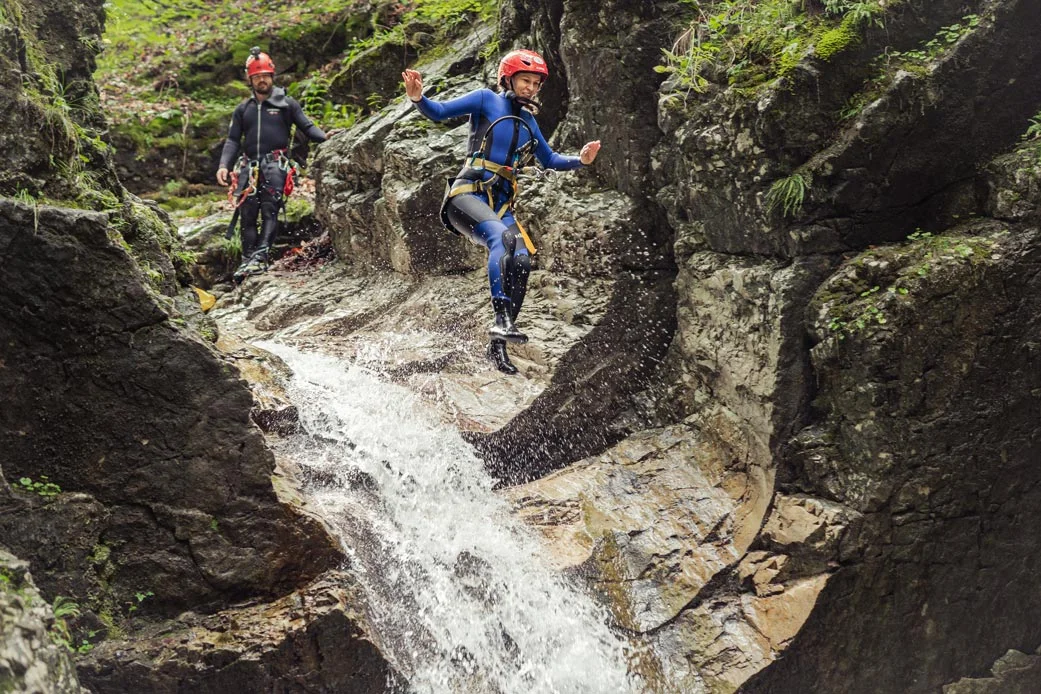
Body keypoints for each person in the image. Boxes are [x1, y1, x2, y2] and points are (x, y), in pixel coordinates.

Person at [402, 49, 601, 375]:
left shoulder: (529, 121)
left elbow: (549, 160)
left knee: (521, 260)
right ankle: (502, 317)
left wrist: (581, 160)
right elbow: (439, 113)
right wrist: (418, 98)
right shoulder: (485, 100)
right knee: (501, 238)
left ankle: (498, 343)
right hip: (466, 196)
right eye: (525, 80)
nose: (530, 88)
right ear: (508, 79)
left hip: (501, 205)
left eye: (536, 83)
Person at [217, 47, 328, 280]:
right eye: (257, 77)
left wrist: (326, 137)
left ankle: (261, 256)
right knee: (247, 214)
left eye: (265, 76)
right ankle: (247, 260)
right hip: (249, 167)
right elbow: (233, 140)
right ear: (250, 79)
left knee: (269, 210)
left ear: (272, 76)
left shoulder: (286, 104)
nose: (262, 80)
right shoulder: (243, 109)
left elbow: (306, 127)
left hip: (275, 164)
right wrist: (224, 165)